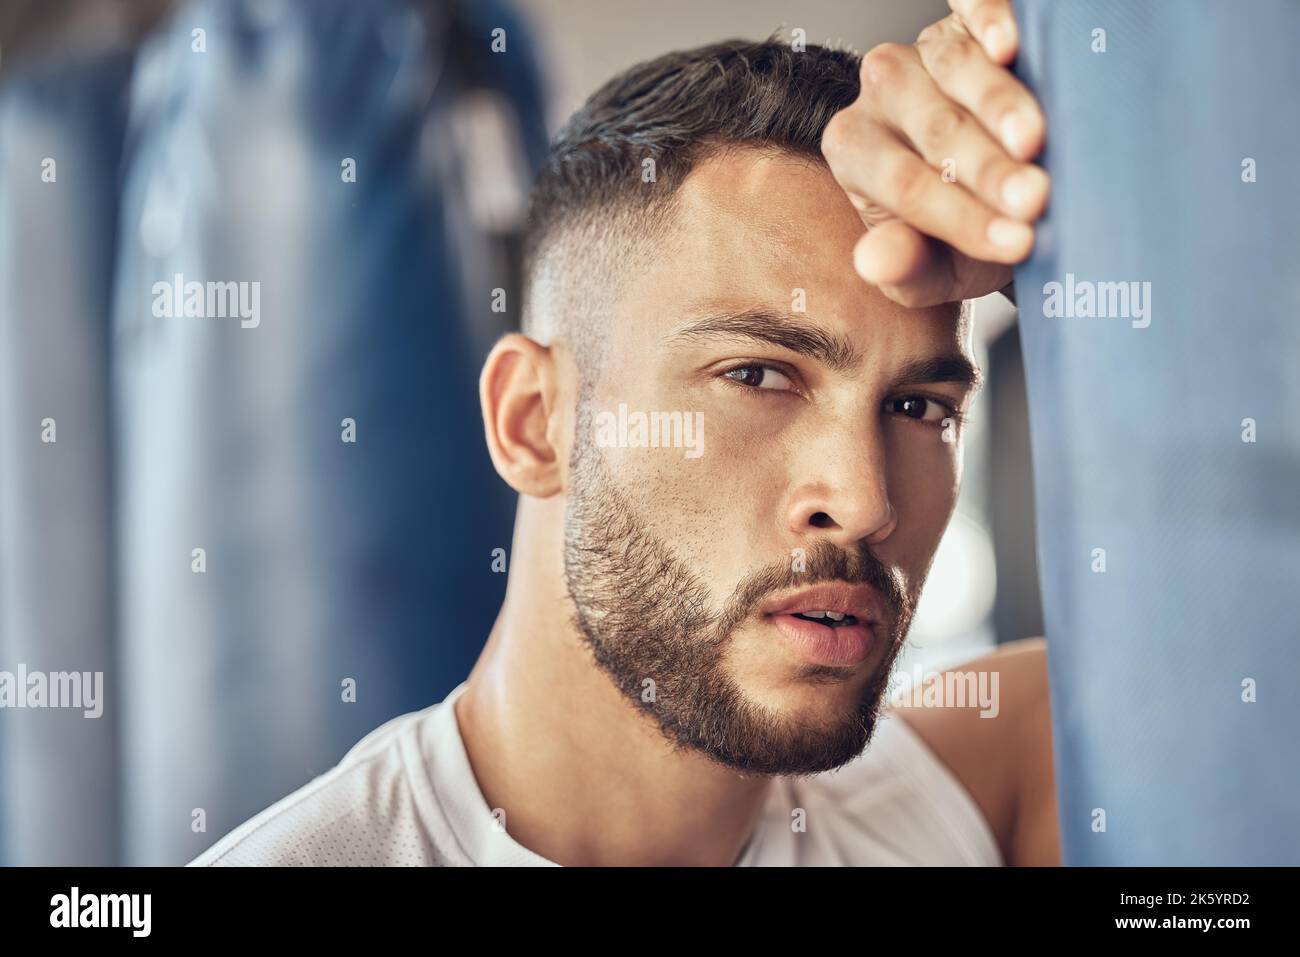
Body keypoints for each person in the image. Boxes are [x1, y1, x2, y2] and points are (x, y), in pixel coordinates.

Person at [192, 0, 1060, 867]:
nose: (866, 500)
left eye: (919, 408)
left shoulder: (986, 792)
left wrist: (1068, 234)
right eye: (757, 375)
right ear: (534, 422)